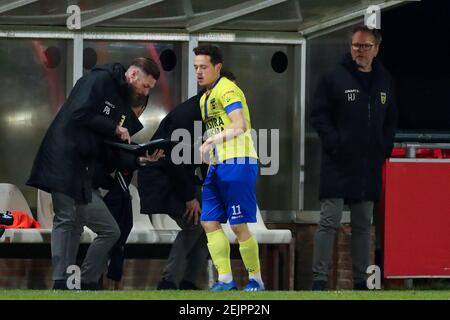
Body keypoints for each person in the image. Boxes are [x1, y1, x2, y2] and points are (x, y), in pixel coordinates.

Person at [27, 57, 161, 290]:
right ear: (133, 76)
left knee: (105, 229)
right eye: (146, 86)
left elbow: (108, 148)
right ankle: (63, 283)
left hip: (83, 170)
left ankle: (83, 281)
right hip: (64, 160)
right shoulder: (100, 79)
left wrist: (139, 159)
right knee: (67, 220)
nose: (146, 92)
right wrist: (114, 128)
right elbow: (78, 112)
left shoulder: (119, 97)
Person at [309, 25, 397, 290]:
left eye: (365, 46)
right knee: (329, 222)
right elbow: (319, 115)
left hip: (367, 165)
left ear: (376, 49)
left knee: (362, 225)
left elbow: (390, 119)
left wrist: (384, 147)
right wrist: (335, 143)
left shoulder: (384, 80)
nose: (359, 50)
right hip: (337, 163)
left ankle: (361, 282)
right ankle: (319, 281)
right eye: (356, 45)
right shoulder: (334, 77)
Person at [137, 70, 237, 291]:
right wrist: (190, 197)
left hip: (181, 176)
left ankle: (189, 282)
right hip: (162, 176)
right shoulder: (188, 115)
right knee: (194, 224)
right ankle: (168, 281)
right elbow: (174, 159)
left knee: (209, 223)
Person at [193, 45, 264, 291]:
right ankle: (225, 280)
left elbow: (239, 124)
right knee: (209, 221)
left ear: (217, 67)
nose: (199, 72)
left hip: (239, 161)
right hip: (218, 164)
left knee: (237, 225)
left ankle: (256, 280)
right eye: (195, 68)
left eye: (203, 67)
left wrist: (213, 139)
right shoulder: (204, 98)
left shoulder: (228, 89)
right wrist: (211, 147)